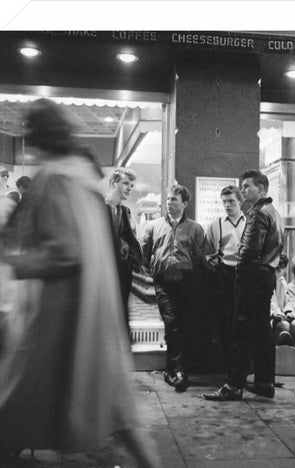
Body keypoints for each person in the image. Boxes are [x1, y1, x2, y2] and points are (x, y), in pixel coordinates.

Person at [0, 98, 159, 467]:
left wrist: (16, 261)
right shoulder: (82, 179)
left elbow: (66, 250)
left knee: (29, 398)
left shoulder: (55, 179)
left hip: (61, 317)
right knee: (119, 411)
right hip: (92, 314)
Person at [204, 169, 284, 401]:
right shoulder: (275, 213)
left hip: (251, 278)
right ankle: (264, 382)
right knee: (262, 331)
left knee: (240, 332)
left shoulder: (258, 213)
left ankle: (233, 386)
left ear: (261, 188)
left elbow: (249, 250)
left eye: (247, 186)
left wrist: (241, 273)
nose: (244, 190)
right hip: (266, 276)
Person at [141, 184, 205, 393]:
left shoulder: (195, 229)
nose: (169, 203)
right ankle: (176, 369)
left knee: (184, 323)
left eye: (174, 200)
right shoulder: (153, 226)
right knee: (171, 323)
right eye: (168, 199)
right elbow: (145, 252)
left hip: (186, 282)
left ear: (185, 203)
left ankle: (175, 367)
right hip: (163, 282)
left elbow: (198, 257)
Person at [203, 185, 246, 369]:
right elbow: (206, 252)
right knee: (224, 321)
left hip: (244, 275)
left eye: (231, 202)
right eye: (225, 202)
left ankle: (241, 366)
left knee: (242, 321)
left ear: (240, 201)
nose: (228, 205)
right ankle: (227, 366)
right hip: (224, 275)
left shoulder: (249, 222)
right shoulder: (216, 224)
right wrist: (212, 263)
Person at [105, 167, 142, 335]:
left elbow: (129, 238)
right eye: (126, 183)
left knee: (120, 314)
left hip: (122, 272)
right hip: (103, 272)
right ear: (113, 183)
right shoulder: (99, 208)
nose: (129, 188)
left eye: (131, 185)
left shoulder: (125, 212)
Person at [270, 254, 295, 346]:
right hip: (269, 318)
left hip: (281, 316)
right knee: (284, 326)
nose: (285, 272)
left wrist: (289, 311)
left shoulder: (282, 281)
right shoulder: (263, 280)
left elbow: (287, 301)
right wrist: (273, 314)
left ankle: (291, 354)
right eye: (281, 269)